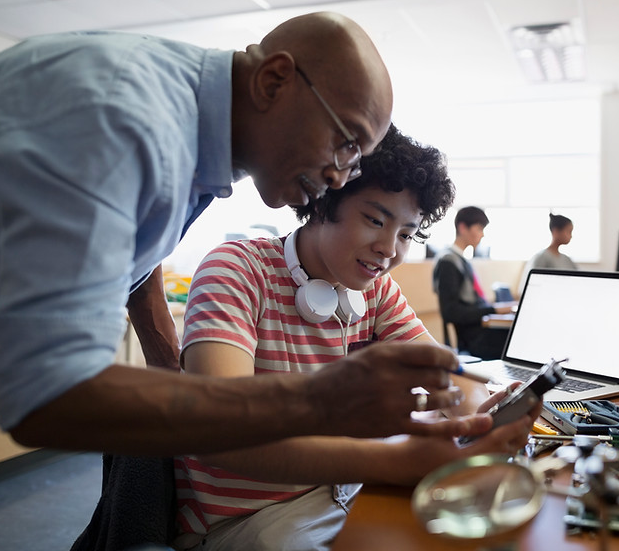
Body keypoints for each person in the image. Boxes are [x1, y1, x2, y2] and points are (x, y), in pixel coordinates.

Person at [0, 12, 490, 550]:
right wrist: (320, 399)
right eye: (345, 144)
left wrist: (172, 362)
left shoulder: (190, 143)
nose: (341, 175)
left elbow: (131, 250)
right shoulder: (126, 123)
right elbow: (50, 395)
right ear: (274, 81)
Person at [171, 126, 538, 551]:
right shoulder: (235, 270)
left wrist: (482, 414)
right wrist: (395, 462)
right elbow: (220, 435)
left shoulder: (375, 290)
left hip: (349, 491)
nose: (388, 248)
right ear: (324, 200)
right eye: (375, 220)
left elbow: (443, 373)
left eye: (405, 234)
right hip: (249, 520)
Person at [432, 207, 514, 359]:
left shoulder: (461, 260)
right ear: (463, 227)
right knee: (516, 338)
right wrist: (494, 310)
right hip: (474, 339)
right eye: (479, 228)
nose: (482, 234)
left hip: (481, 330)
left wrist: (495, 310)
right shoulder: (448, 262)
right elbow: (451, 312)